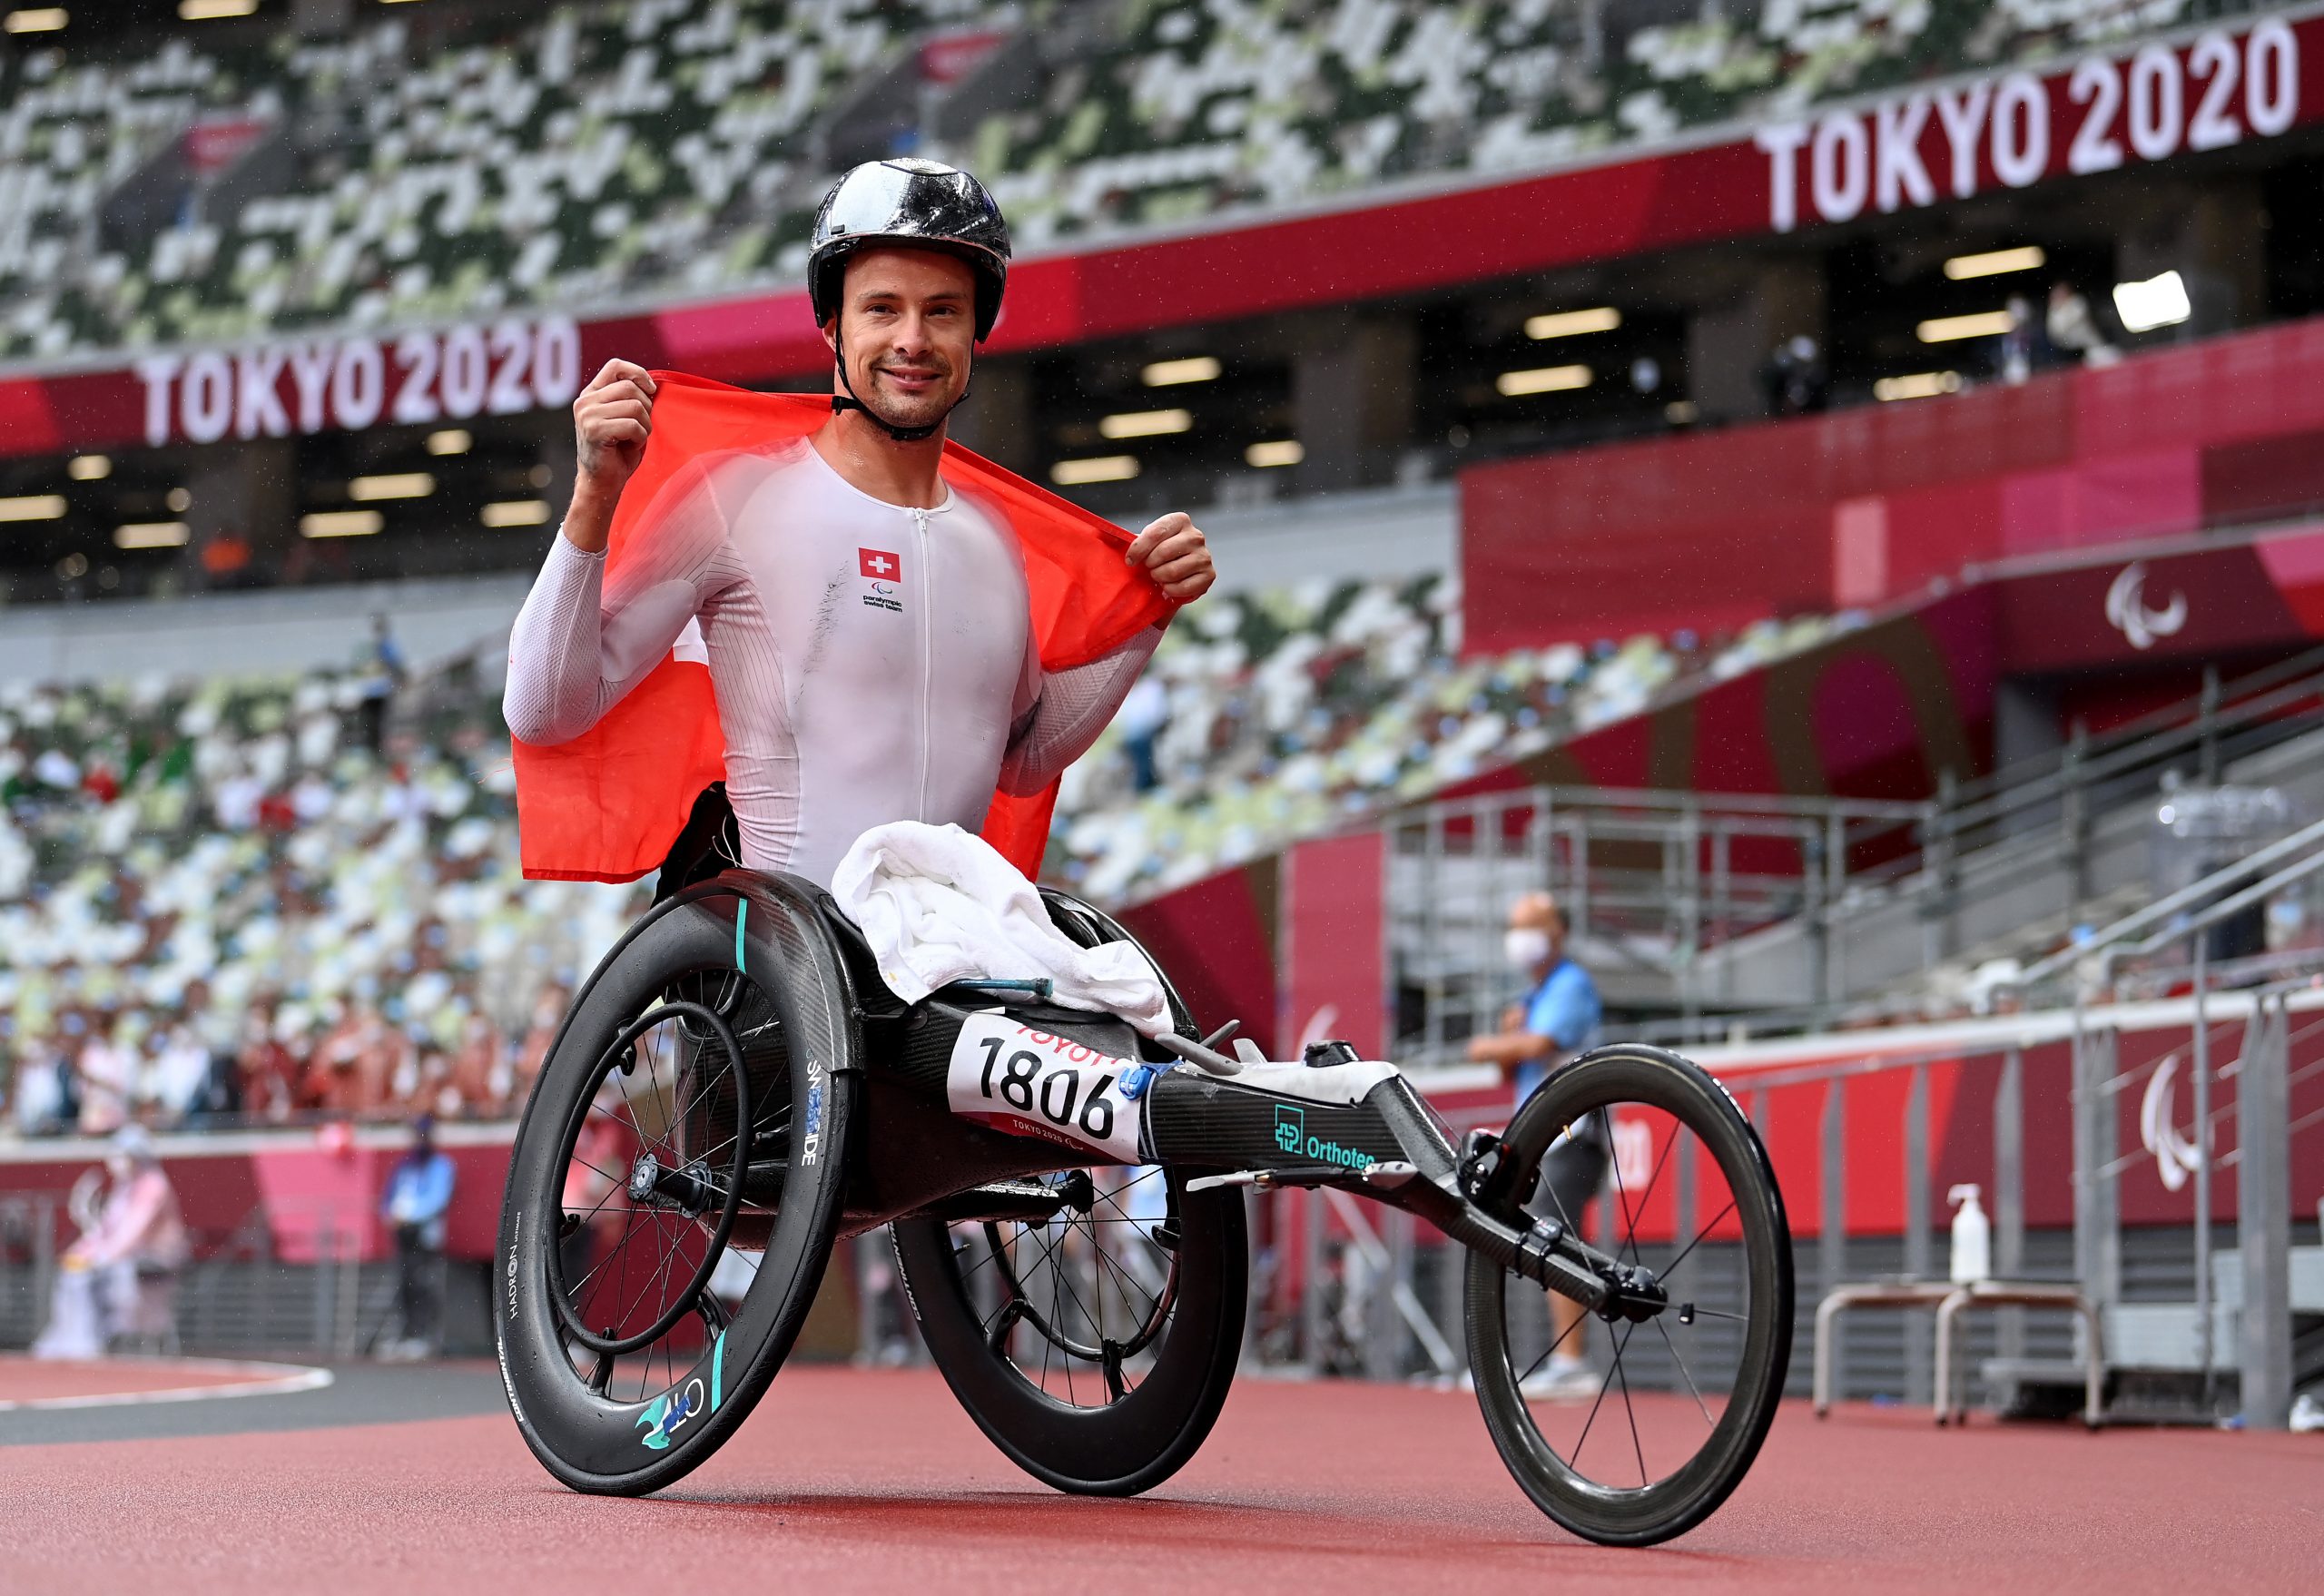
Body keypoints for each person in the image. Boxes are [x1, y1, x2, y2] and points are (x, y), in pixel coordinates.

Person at [503, 158, 1216, 893]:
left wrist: (1146, 613)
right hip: (788, 971)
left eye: (943, 310)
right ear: (829, 326)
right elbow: (545, 712)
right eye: (882, 309)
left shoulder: (993, 537)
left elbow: (1022, 758)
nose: (913, 338)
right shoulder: (736, 498)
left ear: (978, 334)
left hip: (950, 958)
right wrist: (593, 495)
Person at [1465, 891, 1604, 1399]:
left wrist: (1488, 1043)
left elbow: (1540, 1046)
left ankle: (1572, 1363)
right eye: (1514, 925)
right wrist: (1505, 1040)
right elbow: (1511, 1067)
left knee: (1557, 1236)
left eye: (1530, 925)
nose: (1519, 937)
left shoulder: (1570, 984)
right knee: (1519, 1231)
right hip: (1540, 1133)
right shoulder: (1531, 996)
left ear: (1557, 932)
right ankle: (1531, 1358)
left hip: (1574, 1131)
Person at [34, 1126, 189, 1357]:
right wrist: (82, 1252)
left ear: (136, 1156)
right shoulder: (125, 1186)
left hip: (156, 1258)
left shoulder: (154, 1184)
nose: (116, 1161)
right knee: (74, 1274)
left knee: (109, 1274)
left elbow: (132, 1230)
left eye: (123, 1155)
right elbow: (107, 1229)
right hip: (126, 1256)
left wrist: (104, 1257)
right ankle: (75, 1337)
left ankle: (112, 1333)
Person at [379, 1114, 455, 1359]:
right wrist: (390, 1214)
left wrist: (411, 1216)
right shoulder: (405, 1165)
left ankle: (426, 1336)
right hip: (404, 1236)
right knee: (405, 1284)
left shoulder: (441, 1165)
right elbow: (389, 1197)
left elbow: (438, 1199)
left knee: (426, 1285)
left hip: (425, 1237)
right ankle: (409, 1333)